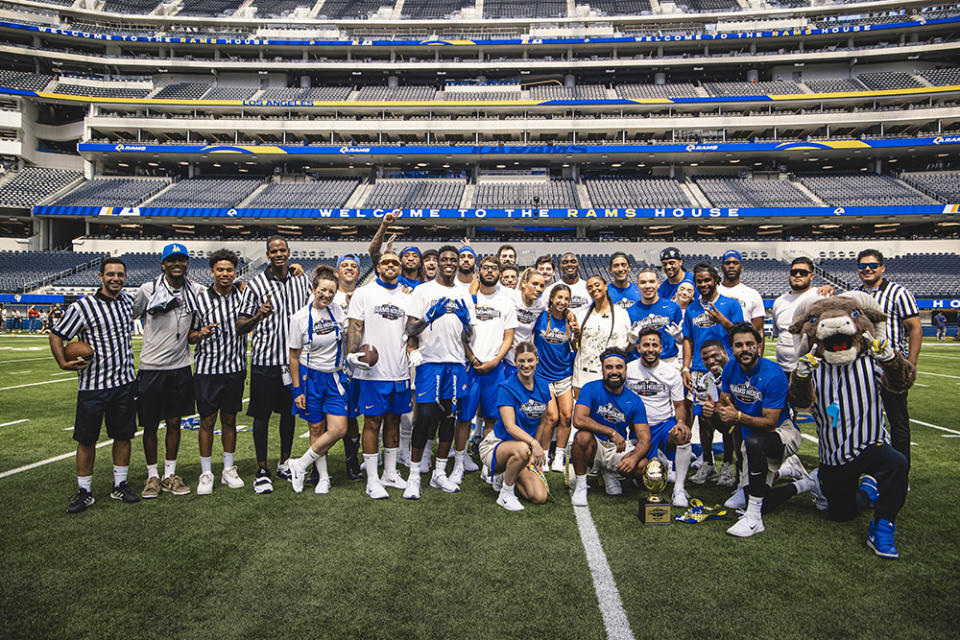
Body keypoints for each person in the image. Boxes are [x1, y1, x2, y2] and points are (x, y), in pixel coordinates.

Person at [788, 310, 910, 558]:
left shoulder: (870, 362)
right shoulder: (813, 367)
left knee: (897, 463)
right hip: (833, 453)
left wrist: (891, 361)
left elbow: (900, 384)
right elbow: (799, 403)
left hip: (869, 442)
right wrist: (800, 378)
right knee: (840, 514)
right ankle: (867, 491)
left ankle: (883, 525)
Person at [51, 257, 140, 513]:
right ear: (100, 277)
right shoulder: (84, 307)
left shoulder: (127, 303)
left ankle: (120, 485)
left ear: (125, 278)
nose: (116, 278)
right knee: (87, 439)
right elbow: (57, 334)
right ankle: (84, 490)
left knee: (123, 436)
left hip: (124, 382)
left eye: (120, 275)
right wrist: (62, 362)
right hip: (93, 385)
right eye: (110, 274)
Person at [707, 323, 812, 538]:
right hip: (751, 434)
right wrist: (716, 408)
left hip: (782, 433)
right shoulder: (730, 369)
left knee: (755, 445)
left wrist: (736, 416)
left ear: (758, 345)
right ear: (731, 348)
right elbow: (726, 402)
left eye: (749, 344)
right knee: (757, 494)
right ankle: (789, 473)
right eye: (739, 345)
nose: (744, 349)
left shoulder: (773, 375)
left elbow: (770, 423)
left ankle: (755, 517)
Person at [237, 235, 310, 494]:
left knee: (288, 416)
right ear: (268, 255)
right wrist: (259, 314)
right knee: (261, 417)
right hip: (265, 362)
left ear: (289, 252)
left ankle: (284, 462)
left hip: (292, 363)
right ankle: (261, 468)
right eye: (273, 251)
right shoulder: (256, 285)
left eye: (282, 250)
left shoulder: (301, 279)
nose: (278, 254)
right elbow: (240, 325)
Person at [403, 245, 476, 498]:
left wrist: (467, 322)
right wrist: (428, 318)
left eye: (452, 260)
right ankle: (413, 475)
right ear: (435, 262)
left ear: (458, 264)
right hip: (429, 363)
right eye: (443, 259)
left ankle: (439, 473)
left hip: (456, 363)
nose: (448, 263)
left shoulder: (465, 294)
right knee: (423, 417)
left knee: (449, 420)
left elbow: (470, 336)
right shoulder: (423, 291)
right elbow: (410, 329)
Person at [132, 243, 200, 499]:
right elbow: (129, 314)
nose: (177, 264)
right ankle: (152, 475)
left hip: (180, 366)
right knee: (150, 424)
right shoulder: (147, 290)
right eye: (171, 260)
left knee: (174, 422)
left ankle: (170, 473)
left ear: (186, 263)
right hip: (151, 367)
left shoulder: (195, 290)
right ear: (163, 264)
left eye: (181, 259)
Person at [345, 251, 412, 499]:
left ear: (400, 267)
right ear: (378, 266)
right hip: (372, 372)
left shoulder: (408, 296)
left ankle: (390, 473)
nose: (391, 266)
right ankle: (372, 479)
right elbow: (355, 326)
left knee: (394, 422)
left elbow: (411, 329)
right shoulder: (364, 292)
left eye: (396, 262)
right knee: (373, 423)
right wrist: (351, 354)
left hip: (399, 370)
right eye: (386, 262)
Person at [855, 249, 921, 467]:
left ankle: (901, 470)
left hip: (890, 367)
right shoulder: (855, 294)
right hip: (863, 369)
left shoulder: (898, 293)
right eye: (863, 266)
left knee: (897, 420)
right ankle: (868, 468)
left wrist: (910, 363)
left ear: (882, 267)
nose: (867, 269)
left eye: (872, 265)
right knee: (864, 420)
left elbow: (914, 328)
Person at [286, 267, 349, 495]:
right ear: (313, 290)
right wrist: (296, 390)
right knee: (316, 427)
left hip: (334, 376)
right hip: (309, 377)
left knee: (339, 428)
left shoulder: (337, 311)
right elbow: (293, 356)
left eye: (332, 292)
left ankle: (300, 464)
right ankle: (323, 478)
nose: (327, 295)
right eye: (323, 290)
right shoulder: (299, 318)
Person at [189, 249, 247, 494]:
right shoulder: (200, 299)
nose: (225, 274)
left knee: (230, 420)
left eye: (229, 270)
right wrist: (199, 334)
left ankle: (228, 469)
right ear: (212, 271)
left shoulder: (243, 297)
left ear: (235, 272)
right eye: (220, 269)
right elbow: (190, 336)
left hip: (234, 368)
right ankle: (206, 472)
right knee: (207, 420)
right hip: (207, 369)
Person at [681, 262, 744, 487]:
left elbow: (740, 334)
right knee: (703, 419)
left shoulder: (730, 305)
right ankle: (708, 463)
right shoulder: (692, 309)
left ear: (716, 280)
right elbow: (687, 339)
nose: (704, 284)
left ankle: (728, 464)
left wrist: (722, 320)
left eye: (707, 280)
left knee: (725, 417)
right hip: (699, 370)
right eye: (699, 281)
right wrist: (686, 367)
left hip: (725, 370)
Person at [456, 256, 517, 485]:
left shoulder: (506, 302)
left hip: (494, 368)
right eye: (486, 268)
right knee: (464, 418)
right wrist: (472, 357)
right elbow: (459, 333)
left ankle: (488, 462)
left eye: (494, 268)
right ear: (478, 271)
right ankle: (459, 463)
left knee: (492, 418)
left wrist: (495, 361)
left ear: (500, 274)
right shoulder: (468, 299)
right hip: (469, 367)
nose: (490, 271)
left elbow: (508, 337)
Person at [569, 347, 651, 507]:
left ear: (626, 370)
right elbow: (578, 420)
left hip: (617, 448)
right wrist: (611, 432)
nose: (614, 371)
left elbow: (645, 438)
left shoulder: (634, 400)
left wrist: (633, 458)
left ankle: (610, 473)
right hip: (596, 445)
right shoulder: (590, 388)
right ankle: (581, 484)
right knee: (582, 436)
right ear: (602, 370)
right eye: (609, 367)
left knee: (642, 465)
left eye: (619, 367)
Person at [479, 342, 553, 511]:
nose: (526, 365)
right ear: (515, 361)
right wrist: (534, 444)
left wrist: (536, 454)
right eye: (521, 361)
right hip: (497, 446)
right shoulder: (507, 387)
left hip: (524, 448)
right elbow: (510, 426)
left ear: (537, 360)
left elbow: (542, 421)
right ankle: (505, 494)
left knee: (539, 496)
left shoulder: (542, 386)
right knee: (520, 449)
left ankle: (507, 474)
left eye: (530, 360)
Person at [626, 327, 693, 507]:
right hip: (638, 430)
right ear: (638, 348)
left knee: (682, 435)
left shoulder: (671, 373)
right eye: (646, 345)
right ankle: (661, 461)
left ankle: (679, 489)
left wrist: (681, 423)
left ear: (661, 348)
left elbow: (679, 405)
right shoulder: (628, 370)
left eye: (654, 345)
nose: (650, 349)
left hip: (663, 425)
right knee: (637, 473)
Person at [533, 284, 578, 472]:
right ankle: (543, 453)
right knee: (551, 417)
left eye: (566, 299)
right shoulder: (540, 317)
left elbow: (576, 346)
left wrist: (577, 333)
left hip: (564, 375)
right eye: (559, 297)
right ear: (551, 298)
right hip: (543, 375)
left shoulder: (571, 320)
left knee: (567, 417)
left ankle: (559, 456)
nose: (562, 302)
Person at [573, 274, 631, 394]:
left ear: (605, 286)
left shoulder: (621, 314)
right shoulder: (582, 314)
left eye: (597, 285)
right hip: (584, 374)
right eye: (590, 287)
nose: (594, 289)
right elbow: (575, 345)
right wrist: (576, 337)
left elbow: (626, 346)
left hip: (611, 375)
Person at [334, 254, 363, 481]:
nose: (349, 269)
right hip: (330, 364)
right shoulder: (327, 294)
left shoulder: (364, 296)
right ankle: (319, 463)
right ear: (337, 272)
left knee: (352, 416)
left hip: (356, 365)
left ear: (359, 273)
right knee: (328, 415)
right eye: (344, 265)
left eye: (354, 266)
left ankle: (352, 459)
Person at [771, 257, 825, 374]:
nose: (798, 275)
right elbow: (779, 333)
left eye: (803, 273)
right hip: (783, 369)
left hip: (812, 369)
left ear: (811, 276)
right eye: (794, 272)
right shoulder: (779, 301)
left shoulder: (820, 297)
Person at [627, 267, 684, 368]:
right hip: (641, 363)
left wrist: (679, 338)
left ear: (658, 284)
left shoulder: (673, 307)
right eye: (643, 282)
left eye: (652, 281)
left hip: (668, 361)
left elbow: (683, 340)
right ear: (638, 286)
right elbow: (628, 347)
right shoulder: (630, 312)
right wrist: (631, 341)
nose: (648, 286)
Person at [717, 250, 766, 355]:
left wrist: (759, 356)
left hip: (743, 350)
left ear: (742, 267)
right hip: (717, 347)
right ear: (722, 267)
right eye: (727, 263)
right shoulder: (713, 291)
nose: (731, 266)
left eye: (735, 263)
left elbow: (758, 330)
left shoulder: (752, 294)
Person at [504, 268, 548, 380]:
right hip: (505, 361)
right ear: (524, 283)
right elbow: (478, 283)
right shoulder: (510, 295)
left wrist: (569, 313)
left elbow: (557, 310)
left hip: (524, 363)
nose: (538, 289)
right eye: (535, 284)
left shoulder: (541, 305)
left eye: (542, 286)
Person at [543, 253, 590, 321]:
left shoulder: (588, 287)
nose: (569, 264)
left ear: (578, 266)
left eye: (573, 262)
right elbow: (545, 313)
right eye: (565, 262)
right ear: (560, 268)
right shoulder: (550, 290)